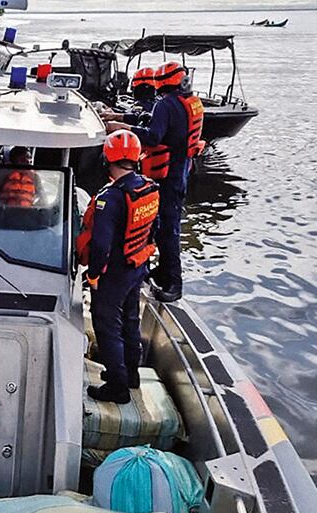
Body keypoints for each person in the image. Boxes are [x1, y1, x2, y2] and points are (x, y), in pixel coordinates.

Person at [76, 130, 160, 403]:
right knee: (130, 320)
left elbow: (101, 244)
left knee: (106, 324)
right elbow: (153, 230)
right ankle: (130, 375)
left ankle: (117, 387)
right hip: (137, 266)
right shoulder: (148, 188)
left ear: (107, 159)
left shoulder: (109, 198)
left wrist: (94, 274)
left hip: (114, 272)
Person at [109, 61, 204, 303]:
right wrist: (122, 116)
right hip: (182, 169)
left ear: (161, 83)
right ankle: (162, 270)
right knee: (164, 225)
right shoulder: (191, 102)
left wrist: (123, 127)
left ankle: (174, 282)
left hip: (168, 175)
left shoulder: (166, 104)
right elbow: (157, 122)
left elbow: (153, 137)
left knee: (166, 228)